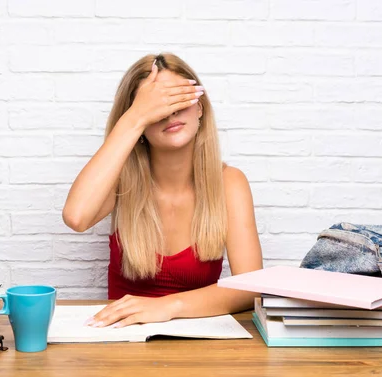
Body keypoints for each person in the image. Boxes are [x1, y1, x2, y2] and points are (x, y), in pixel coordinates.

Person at [63, 53, 263, 328]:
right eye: (156, 106)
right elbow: (76, 217)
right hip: (122, 340)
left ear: (200, 107)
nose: (170, 113)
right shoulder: (121, 180)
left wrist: (167, 306)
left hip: (199, 343)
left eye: (179, 100)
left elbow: (250, 287)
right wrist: (134, 118)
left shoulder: (229, 182)